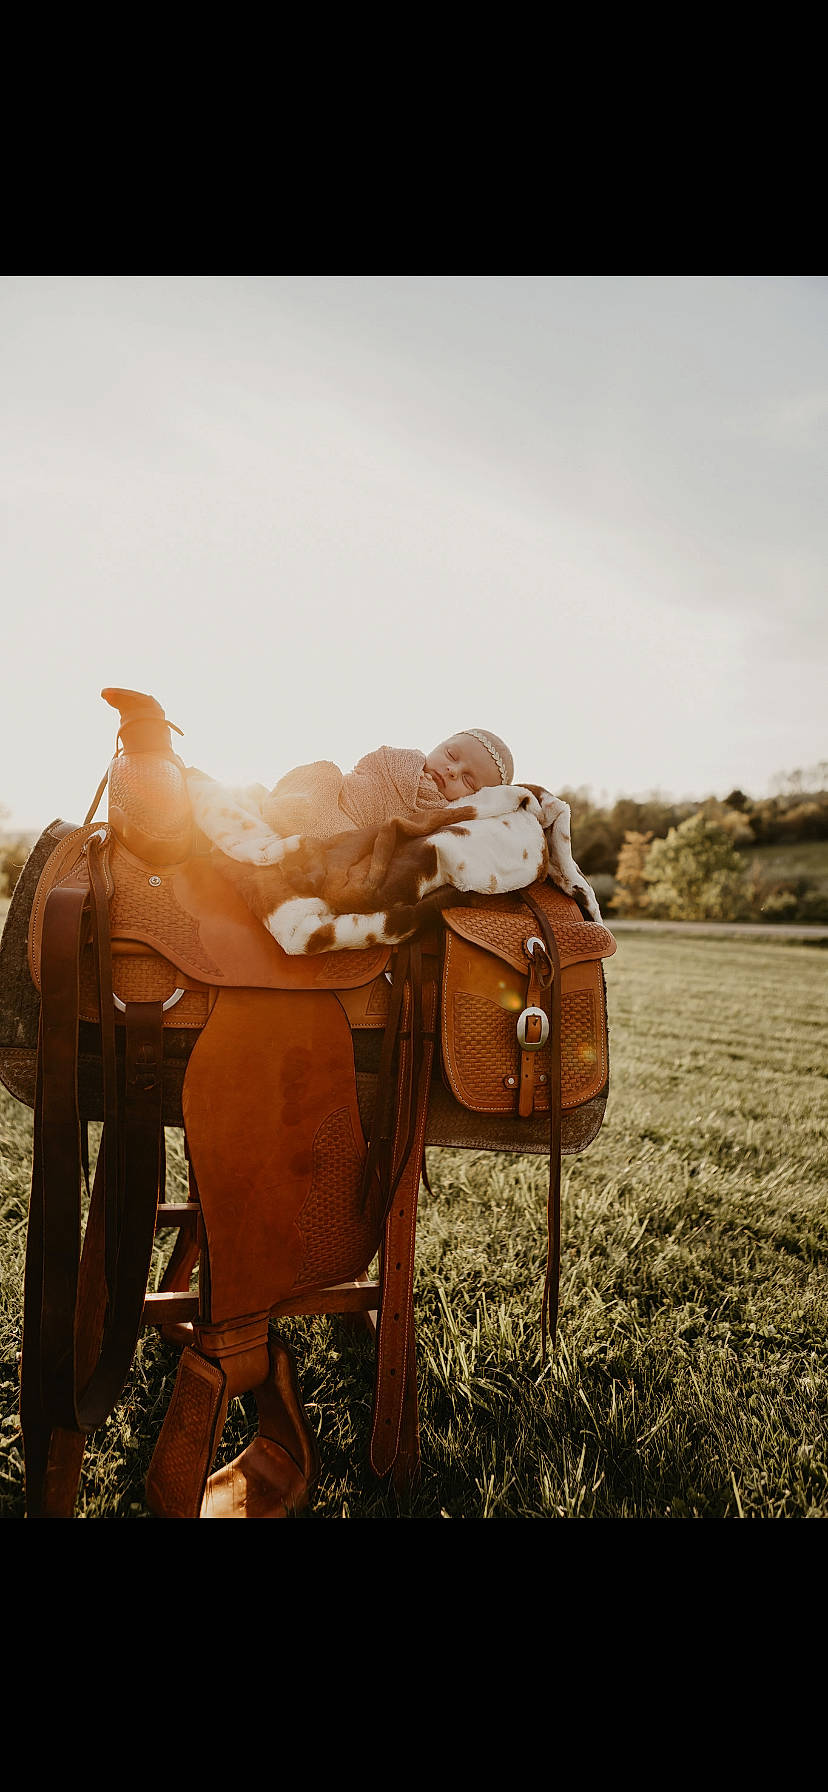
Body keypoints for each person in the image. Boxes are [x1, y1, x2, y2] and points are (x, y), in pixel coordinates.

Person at [255, 728, 515, 841]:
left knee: (358, 850)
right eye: (451, 755)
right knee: (325, 773)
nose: (451, 771)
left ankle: (330, 837)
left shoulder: (443, 817)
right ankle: (295, 811)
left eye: (468, 780)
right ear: (439, 745)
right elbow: (367, 770)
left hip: (361, 835)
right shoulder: (398, 760)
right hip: (337, 797)